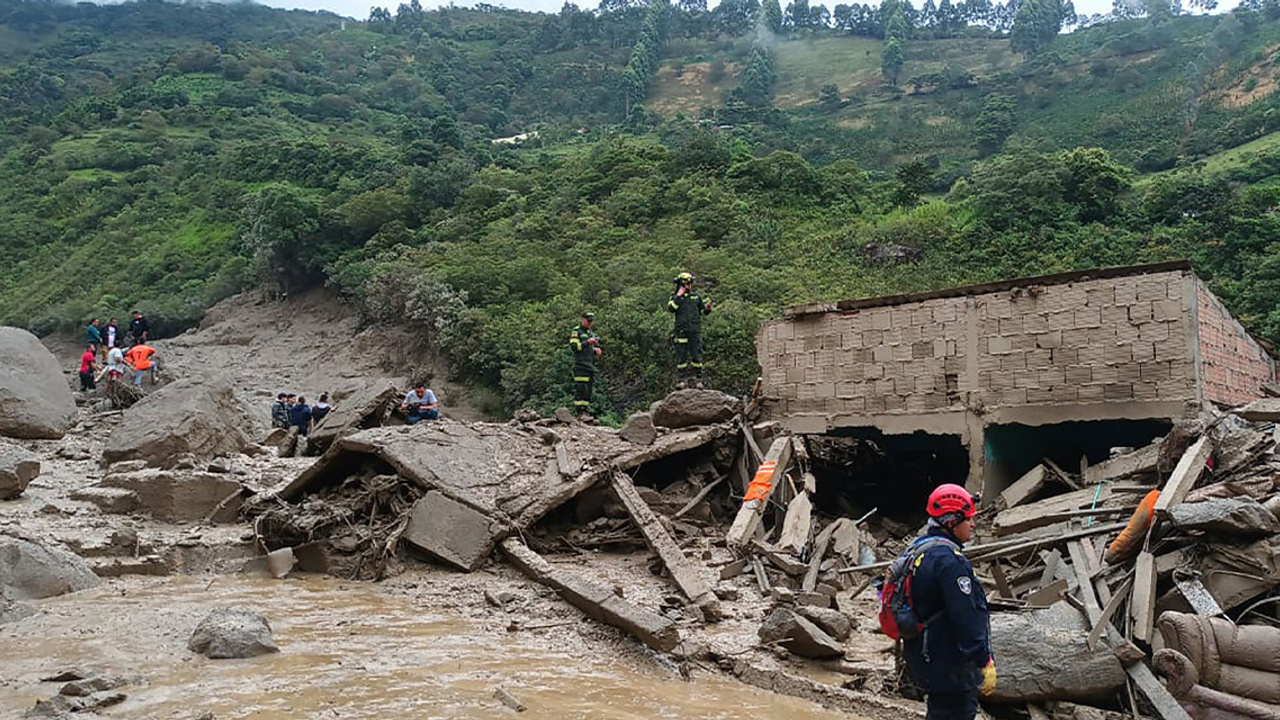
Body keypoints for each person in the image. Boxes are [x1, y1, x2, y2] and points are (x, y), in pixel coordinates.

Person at [901, 483, 996, 720]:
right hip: (950, 666)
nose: (973, 524)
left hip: (926, 657)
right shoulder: (950, 562)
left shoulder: (918, 550)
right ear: (952, 522)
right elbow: (965, 616)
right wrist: (983, 659)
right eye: (968, 519)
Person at [667, 272, 713, 389]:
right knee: (682, 355)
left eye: (691, 283)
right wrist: (679, 295)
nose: (690, 285)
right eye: (688, 283)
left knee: (696, 355)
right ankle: (682, 381)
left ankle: (698, 380)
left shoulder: (696, 297)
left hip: (694, 330)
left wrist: (708, 309)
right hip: (681, 330)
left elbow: (703, 312)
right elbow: (671, 308)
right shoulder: (675, 297)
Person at [568, 312, 601, 420]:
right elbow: (574, 347)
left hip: (589, 365)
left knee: (589, 389)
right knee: (581, 388)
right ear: (583, 320)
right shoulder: (576, 331)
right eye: (589, 321)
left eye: (592, 321)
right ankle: (579, 412)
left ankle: (586, 412)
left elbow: (588, 349)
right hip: (580, 365)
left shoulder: (590, 332)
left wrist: (595, 350)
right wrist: (587, 342)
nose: (591, 323)